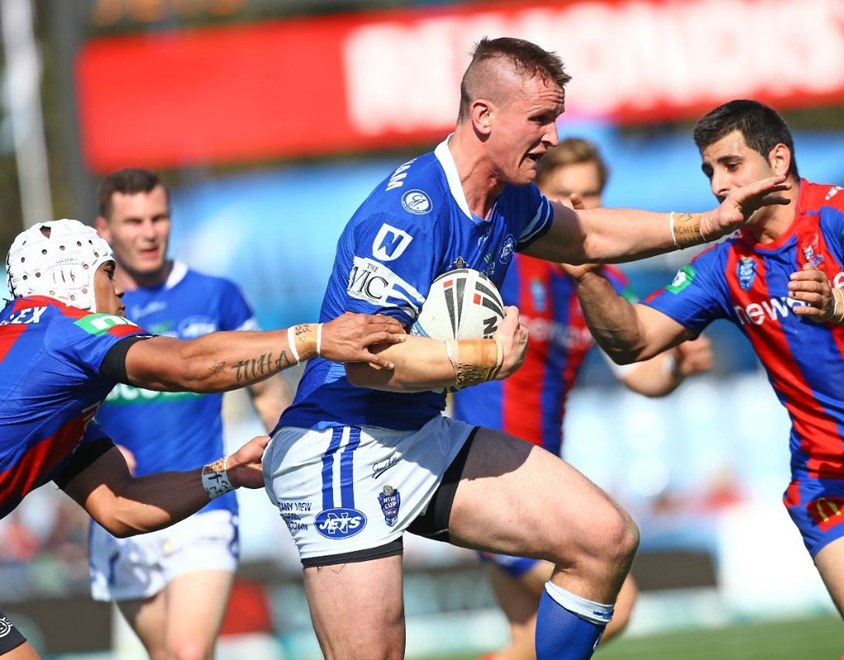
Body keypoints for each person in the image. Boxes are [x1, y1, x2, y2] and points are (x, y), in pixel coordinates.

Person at [262, 38, 787, 660]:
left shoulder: (505, 197)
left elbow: (587, 233)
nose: (552, 137)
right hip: (340, 448)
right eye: (540, 118)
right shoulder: (407, 216)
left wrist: (706, 224)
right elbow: (368, 366)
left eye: (556, 118)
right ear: (483, 116)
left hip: (419, 434)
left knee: (604, 538)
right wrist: (482, 359)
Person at [564, 99, 844, 660]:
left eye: (731, 165)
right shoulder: (725, 264)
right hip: (832, 479)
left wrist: (840, 303)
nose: (717, 185)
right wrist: (588, 277)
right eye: (709, 171)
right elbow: (634, 340)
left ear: (778, 160)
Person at [0, 218, 404, 659]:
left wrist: (226, 473)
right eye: (108, 272)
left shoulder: (41, 365)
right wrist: (314, 338)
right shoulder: (67, 330)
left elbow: (119, 506)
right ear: (70, 278)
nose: (120, 289)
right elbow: (189, 366)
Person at [452, 137, 713, 660]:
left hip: (541, 474)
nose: (578, 205)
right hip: (485, 475)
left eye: (590, 194)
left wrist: (676, 368)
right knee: (614, 601)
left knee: (527, 640)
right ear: (536, 195)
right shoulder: (503, 258)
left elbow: (641, 372)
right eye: (562, 194)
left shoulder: (603, 280)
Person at [85, 168, 293, 660]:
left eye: (158, 218)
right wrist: (92, 450)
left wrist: (296, 453)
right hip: (123, 505)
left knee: (188, 653)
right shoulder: (87, 311)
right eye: (133, 222)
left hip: (206, 501)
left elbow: (266, 392)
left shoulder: (216, 296)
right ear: (104, 229)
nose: (149, 232)